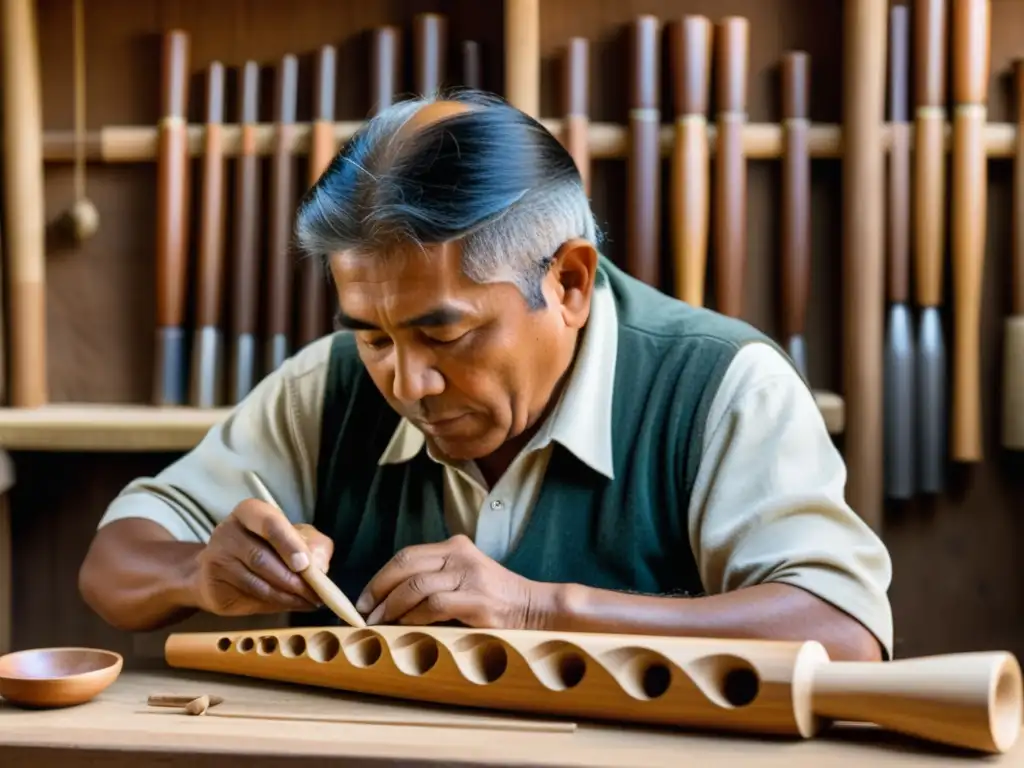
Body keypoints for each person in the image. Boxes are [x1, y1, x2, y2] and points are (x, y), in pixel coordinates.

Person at [78, 91, 893, 663]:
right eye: (372, 337)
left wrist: (543, 609)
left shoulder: (723, 387)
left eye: (447, 333)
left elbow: (844, 634)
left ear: (569, 283)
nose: (409, 384)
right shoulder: (324, 390)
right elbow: (114, 565)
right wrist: (198, 574)